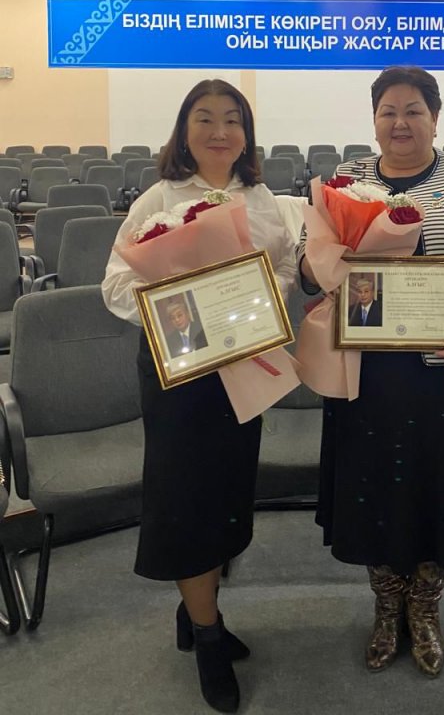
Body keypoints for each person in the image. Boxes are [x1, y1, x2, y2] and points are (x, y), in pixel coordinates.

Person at [299, 65, 444, 678]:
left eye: (414, 110)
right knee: (374, 491)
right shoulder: (347, 181)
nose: (400, 122)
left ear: (435, 118)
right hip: (368, 370)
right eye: (388, 111)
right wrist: (317, 270)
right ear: (374, 120)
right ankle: (387, 605)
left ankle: (426, 605)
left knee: (435, 488)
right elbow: (312, 260)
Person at [103, 79, 296, 714]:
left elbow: (286, 269)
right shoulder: (160, 198)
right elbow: (114, 285)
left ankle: (196, 612)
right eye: (205, 119)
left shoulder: (263, 199)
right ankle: (208, 637)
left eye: (232, 120)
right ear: (184, 131)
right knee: (186, 500)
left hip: (241, 364)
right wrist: (177, 301)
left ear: (247, 134)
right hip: (179, 371)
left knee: (226, 496)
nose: (220, 131)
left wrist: (262, 296)